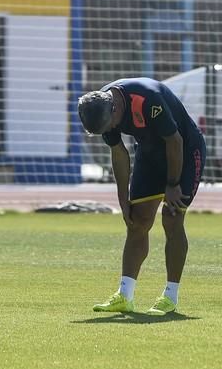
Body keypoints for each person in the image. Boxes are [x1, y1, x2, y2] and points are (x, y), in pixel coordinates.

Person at [78, 77, 205, 315]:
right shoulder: (101, 109)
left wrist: (172, 184)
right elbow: (119, 153)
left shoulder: (146, 99)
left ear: (115, 108)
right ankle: (125, 296)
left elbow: (175, 141)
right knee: (137, 222)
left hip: (185, 150)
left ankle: (170, 297)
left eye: (109, 126)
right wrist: (123, 201)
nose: (111, 131)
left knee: (172, 216)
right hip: (149, 153)